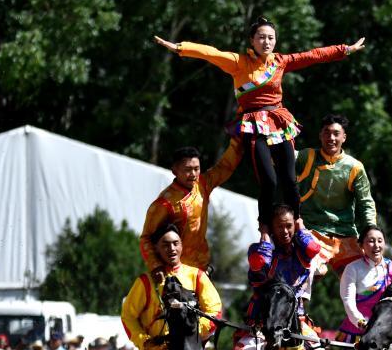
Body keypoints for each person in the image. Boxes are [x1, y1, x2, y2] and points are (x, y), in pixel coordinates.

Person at [154, 19, 365, 238]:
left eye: (271, 38)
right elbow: (210, 53)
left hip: (279, 122)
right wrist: (180, 47)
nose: (266, 42)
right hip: (254, 125)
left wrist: (345, 49)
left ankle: (298, 223)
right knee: (269, 181)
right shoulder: (239, 62)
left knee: (289, 179)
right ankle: (264, 228)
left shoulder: (280, 61)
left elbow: (313, 55)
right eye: (261, 37)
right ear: (252, 41)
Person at [227, 204, 332, 350]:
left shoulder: (302, 251)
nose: (285, 231)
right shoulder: (257, 250)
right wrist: (265, 235)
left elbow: (313, 248)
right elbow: (260, 266)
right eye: (279, 227)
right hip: (260, 325)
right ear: (271, 228)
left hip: (298, 323)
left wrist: (301, 226)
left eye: (289, 226)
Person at [139, 146, 240, 283]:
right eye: (187, 169)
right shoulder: (164, 203)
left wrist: (237, 142)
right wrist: (155, 266)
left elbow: (225, 167)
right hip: (175, 274)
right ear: (174, 170)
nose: (193, 174)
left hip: (201, 271)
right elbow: (146, 238)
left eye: (196, 169)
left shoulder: (202, 185)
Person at [296, 114, 377, 277]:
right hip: (312, 232)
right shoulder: (307, 157)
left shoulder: (354, 167)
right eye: (327, 133)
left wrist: (371, 229)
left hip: (345, 234)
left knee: (363, 280)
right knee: (311, 274)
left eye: (336, 133)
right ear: (320, 135)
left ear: (344, 137)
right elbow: (284, 157)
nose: (331, 138)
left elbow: (365, 202)